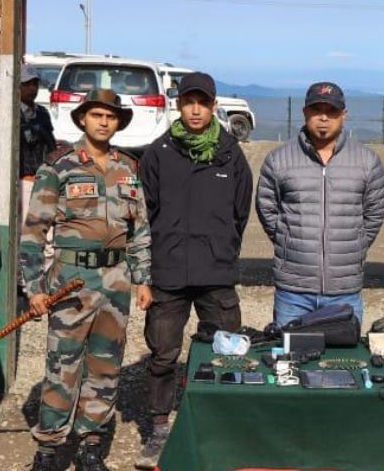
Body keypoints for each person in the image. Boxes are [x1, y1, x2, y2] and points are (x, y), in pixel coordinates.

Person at [22, 89, 153, 471]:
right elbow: (33, 232)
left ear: (118, 122)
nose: (103, 122)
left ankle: (91, 445)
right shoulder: (60, 166)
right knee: (63, 364)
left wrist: (143, 279)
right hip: (71, 280)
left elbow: (140, 231)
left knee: (105, 364)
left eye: (110, 117)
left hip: (117, 279)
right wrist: (33, 288)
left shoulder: (129, 168)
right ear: (83, 119)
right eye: (96, 115)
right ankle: (48, 448)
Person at [135, 72, 252, 470]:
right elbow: (144, 212)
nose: (196, 109)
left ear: (214, 106)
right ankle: (159, 429)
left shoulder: (229, 153)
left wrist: (221, 249)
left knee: (224, 351)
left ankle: (221, 426)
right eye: (189, 102)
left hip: (216, 272)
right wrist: (150, 267)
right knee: (164, 354)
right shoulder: (158, 153)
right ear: (179, 105)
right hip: (168, 272)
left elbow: (241, 211)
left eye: (203, 102)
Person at [256, 80, 384, 325]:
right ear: (305, 113)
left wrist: (356, 244)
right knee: (290, 361)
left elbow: (374, 213)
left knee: (342, 362)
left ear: (344, 115)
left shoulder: (367, 162)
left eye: (332, 111)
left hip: (344, 289)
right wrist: (288, 240)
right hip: (293, 291)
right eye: (317, 110)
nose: (324, 118)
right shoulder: (279, 160)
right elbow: (267, 208)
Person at [19, 66, 58, 279]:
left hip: (43, 179)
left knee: (48, 234)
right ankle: (24, 281)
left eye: (34, 84)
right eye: (27, 84)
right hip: (23, 181)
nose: (32, 88)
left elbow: (50, 144)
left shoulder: (41, 113)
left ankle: (45, 278)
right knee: (27, 232)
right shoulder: (12, 113)